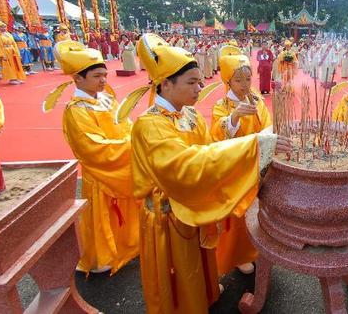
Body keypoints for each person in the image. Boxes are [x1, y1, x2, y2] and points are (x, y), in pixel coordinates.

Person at [119, 34, 291, 314]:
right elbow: (185, 167)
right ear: (165, 84)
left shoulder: (191, 116)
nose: (200, 87)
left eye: (200, 81)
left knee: (199, 262)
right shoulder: (149, 126)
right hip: (168, 214)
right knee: (179, 271)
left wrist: (254, 148)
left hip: (193, 204)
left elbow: (212, 152)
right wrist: (252, 146)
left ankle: (204, 293)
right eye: (192, 82)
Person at [42, 40, 139, 274]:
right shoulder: (76, 110)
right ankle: (101, 256)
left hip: (122, 165)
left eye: (104, 75)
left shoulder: (107, 99)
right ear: (77, 79)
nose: (103, 81)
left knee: (127, 213)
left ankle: (129, 244)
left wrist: (136, 136)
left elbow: (126, 124)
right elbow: (92, 148)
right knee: (102, 214)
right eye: (97, 76)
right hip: (102, 173)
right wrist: (133, 145)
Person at [210, 45, 272, 276]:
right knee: (238, 213)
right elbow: (217, 134)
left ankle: (257, 247)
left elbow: (267, 124)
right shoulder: (222, 106)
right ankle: (238, 254)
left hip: (257, 161)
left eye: (248, 78)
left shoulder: (256, 99)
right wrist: (234, 117)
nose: (245, 84)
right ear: (228, 82)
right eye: (239, 80)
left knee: (258, 209)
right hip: (236, 167)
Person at [0, 19, 26, 84]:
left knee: (16, 64)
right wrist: (2, 55)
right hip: (5, 51)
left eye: (4, 26)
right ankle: (12, 79)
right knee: (9, 65)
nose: (4, 28)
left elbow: (14, 43)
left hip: (12, 51)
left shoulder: (8, 34)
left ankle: (17, 77)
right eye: (1, 27)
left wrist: (17, 51)